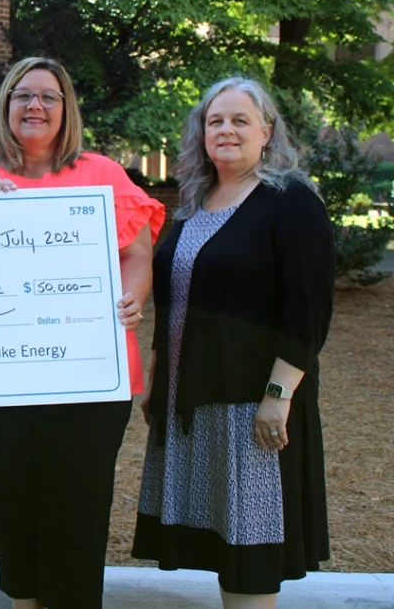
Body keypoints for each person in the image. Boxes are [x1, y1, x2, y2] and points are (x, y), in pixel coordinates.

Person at [0, 56, 165, 609]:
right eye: (23, 95)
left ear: (66, 108)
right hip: (1, 377)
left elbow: (137, 257)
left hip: (89, 375)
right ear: (6, 106)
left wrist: (133, 299)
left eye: (49, 96)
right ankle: (24, 601)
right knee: (12, 498)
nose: (35, 106)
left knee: (78, 504)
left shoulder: (102, 174)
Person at [132, 77, 334, 609]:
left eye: (240, 120)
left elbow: (309, 310)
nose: (226, 130)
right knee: (225, 548)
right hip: (192, 401)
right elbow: (173, 300)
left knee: (251, 555)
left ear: (267, 131)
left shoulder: (290, 200)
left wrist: (279, 393)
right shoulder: (195, 201)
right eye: (215, 120)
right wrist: (158, 379)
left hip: (252, 407)